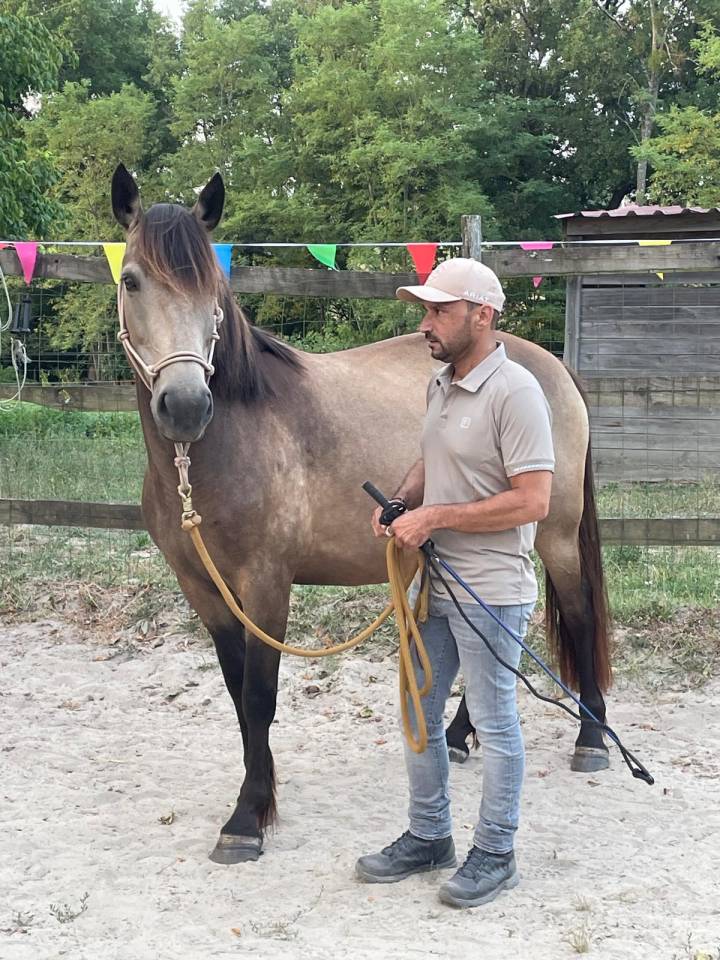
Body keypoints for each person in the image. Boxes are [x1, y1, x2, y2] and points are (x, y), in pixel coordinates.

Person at [355, 258, 555, 909]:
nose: (425, 323)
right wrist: (404, 498)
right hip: (437, 586)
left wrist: (435, 517)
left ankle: (497, 852)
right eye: (426, 310)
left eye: (439, 310)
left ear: (483, 315)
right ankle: (430, 836)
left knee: (494, 721)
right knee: (418, 708)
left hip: (492, 589)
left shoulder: (516, 393)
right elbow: (430, 456)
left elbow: (533, 502)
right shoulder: (442, 384)